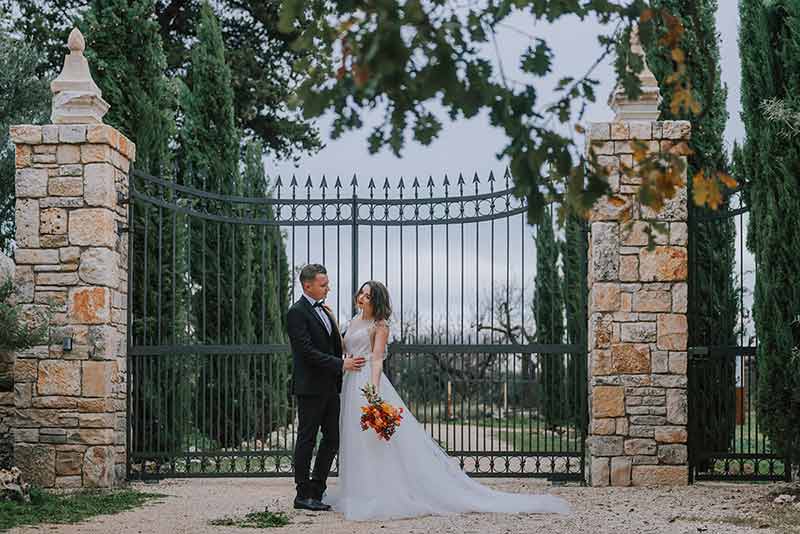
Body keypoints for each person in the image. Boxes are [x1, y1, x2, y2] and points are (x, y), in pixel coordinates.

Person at [322, 280, 571, 521]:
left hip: (367, 382)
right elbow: (346, 347)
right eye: (360, 293)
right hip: (350, 380)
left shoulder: (380, 326)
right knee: (355, 438)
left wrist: (374, 392)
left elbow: (377, 359)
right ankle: (359, 491)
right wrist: (333, 320)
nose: (361, 297)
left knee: (376, 440)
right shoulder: (355, 320)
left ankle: (381, 493)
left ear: (376, 300)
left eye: (367, 295)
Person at [286, 264, 366, 511]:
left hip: (331, 387)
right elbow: (307, 352)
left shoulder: (325, 310)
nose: (328, 288)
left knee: (332, 438)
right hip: (310, 387)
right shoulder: (296, 312)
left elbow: (333, 343)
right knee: (307, 439)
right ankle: (302, 494)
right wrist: (341, 364)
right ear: (307, 285)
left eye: (327, 283)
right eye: (323, 284)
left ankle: (317, 489)